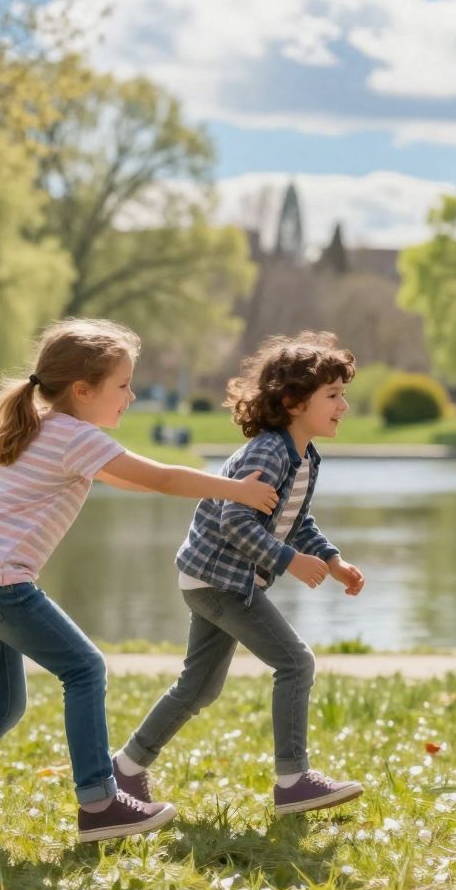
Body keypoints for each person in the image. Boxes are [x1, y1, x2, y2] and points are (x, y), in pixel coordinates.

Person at [0, 318, 281, 848]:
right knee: (85, 667)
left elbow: (135, 481)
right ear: (82, 390)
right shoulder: (73, 435)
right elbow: (160, 477)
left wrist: (218, 490)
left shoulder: (46, 428)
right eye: (121, 385)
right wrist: (233, 490)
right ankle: (99, 804)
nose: (131, 395)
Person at [115, 333, 368, 819]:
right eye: (332, 396)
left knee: (199, 687)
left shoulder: (305, 457)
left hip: (214, 581)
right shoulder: (268, 453)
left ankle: (125, 769)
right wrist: (288, 561)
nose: (344, 405)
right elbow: (236, 521)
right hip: (221, 580)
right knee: (296, 663)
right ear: (293, 402)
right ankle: (293, 780)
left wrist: (332, 561)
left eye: (342, 394)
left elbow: (296, 522)